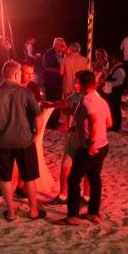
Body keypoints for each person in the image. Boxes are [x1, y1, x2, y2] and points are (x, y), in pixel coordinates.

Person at [0, 60, 45, 221]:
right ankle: (33, 210)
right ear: (16, 74)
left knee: (5, 178)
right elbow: (38, 117)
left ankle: (10, 212)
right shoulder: (26, 93)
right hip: (24, 141)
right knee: (29, 177)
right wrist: (36, 135)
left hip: (2, 142)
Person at [56, 70, 112, 226]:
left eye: (77, 82)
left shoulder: (86, 101)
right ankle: (93, 213)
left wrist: (92, 142)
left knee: (73, 179)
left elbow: (94, 120)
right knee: (94, 178)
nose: (75, 85)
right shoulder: (102, 101)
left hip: (90, 147)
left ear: (81, 85)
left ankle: (73, 216)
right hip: (103, 145)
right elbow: (109, 123)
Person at [44, 71, 90, 205]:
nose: (75, 84)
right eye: (75, 81)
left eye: (77, 82)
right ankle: (63, 195)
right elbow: (64, 103)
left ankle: (86, 196)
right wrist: (50, 105)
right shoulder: (77, 95)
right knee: (65, 165)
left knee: (86, 169)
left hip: (86, 138)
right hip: (74, 136)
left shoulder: (92, 99)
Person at [43, 38, 67, 128]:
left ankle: (56, 121)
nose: (63, 47)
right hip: (51, 82)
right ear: (56, 45)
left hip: (58, 82)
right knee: (51, 102)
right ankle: (50, 123)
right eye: (61, 45)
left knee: (58, 101)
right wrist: (59, 71)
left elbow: (62, 65)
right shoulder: (49, 53)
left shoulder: (60, 54)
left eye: (63, 45)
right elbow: (46, 66)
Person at [102, 51, 126, 132]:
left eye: (113, 58)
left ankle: (116, 126)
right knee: (113, 108)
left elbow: (119, 82)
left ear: (116, 58)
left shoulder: (120, 69)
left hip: (116, 93)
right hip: (113, 92)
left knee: (115, 109)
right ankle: (114, 125)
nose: (112, 60)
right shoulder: (116, 67)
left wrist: (107, 83)